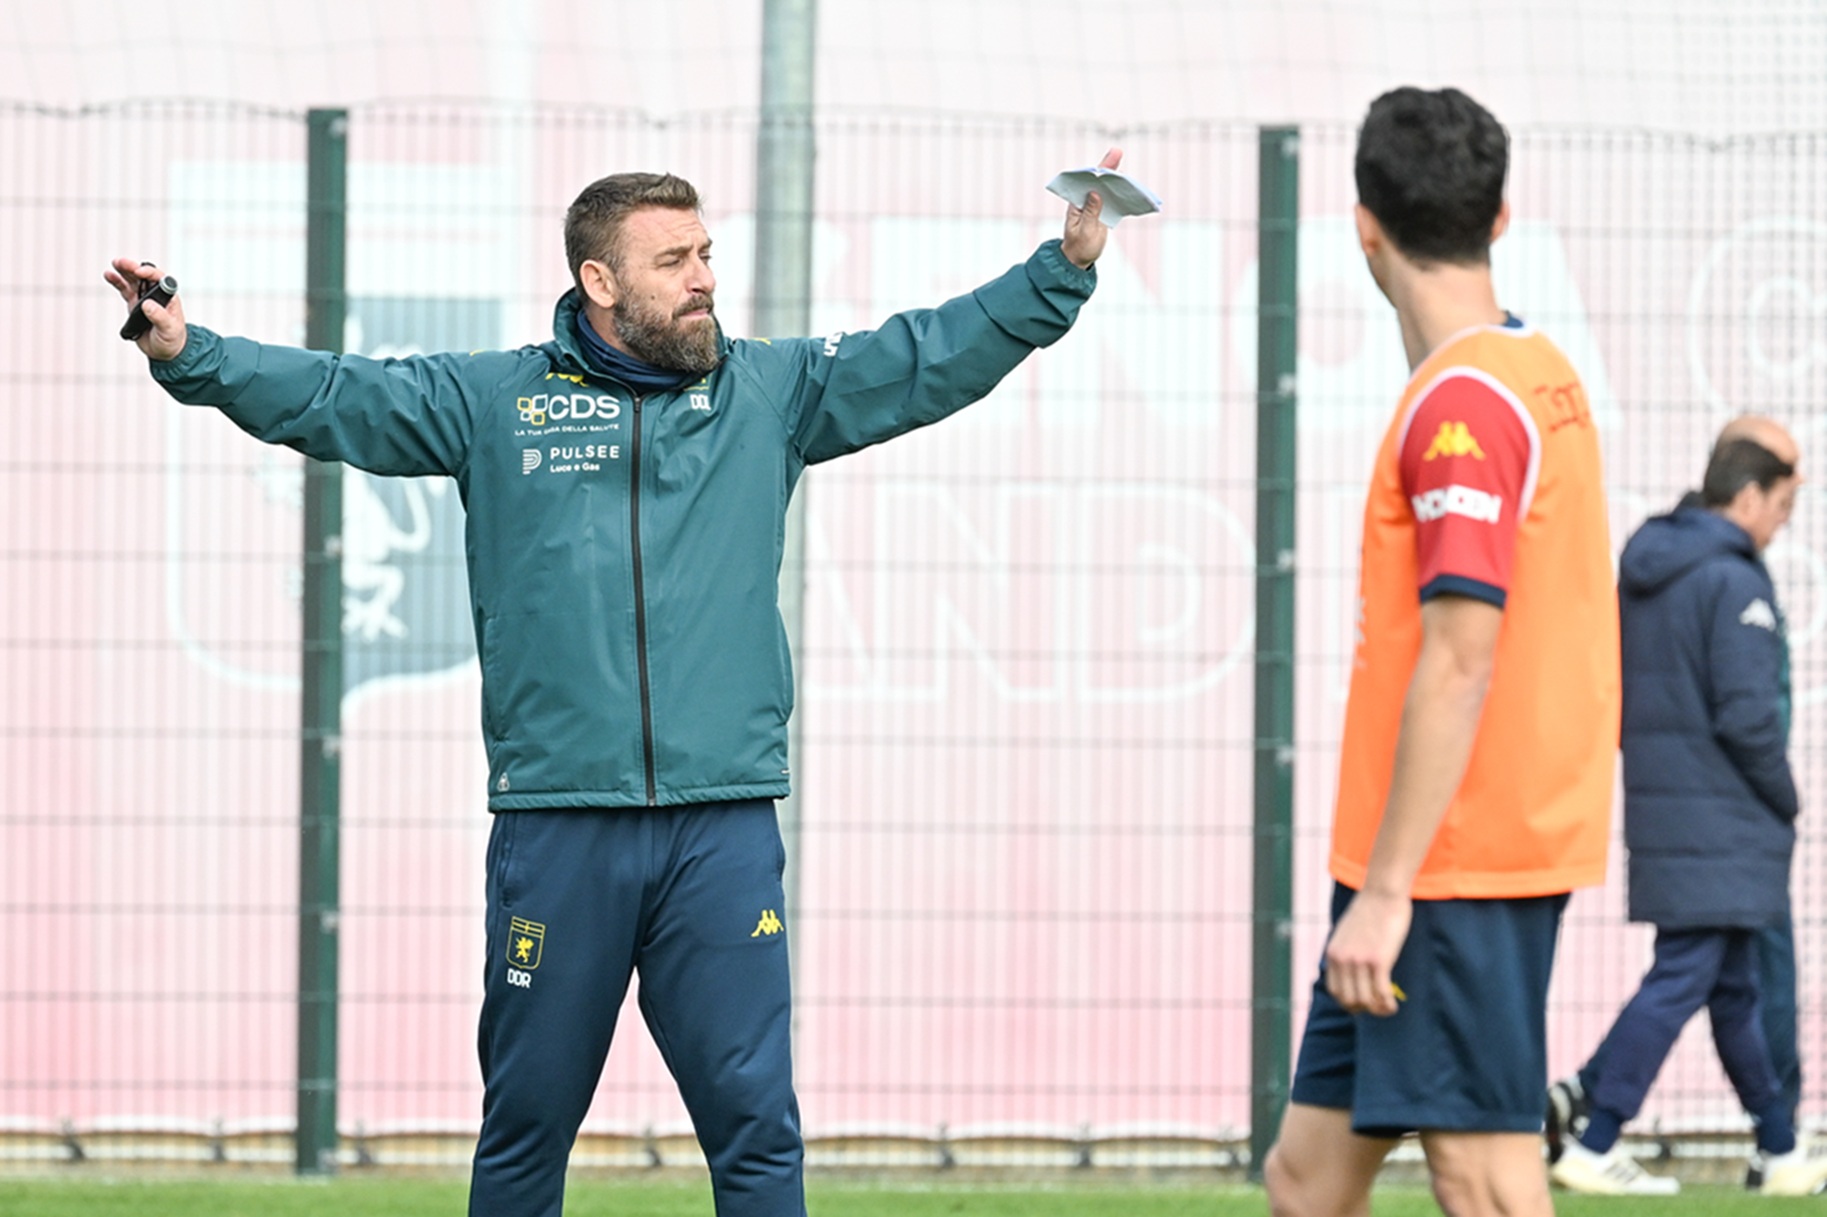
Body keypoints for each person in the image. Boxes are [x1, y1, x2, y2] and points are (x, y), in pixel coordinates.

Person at [107, 152, 1127, 1217]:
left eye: (706, 254)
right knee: (525, 1131)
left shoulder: (771, 391)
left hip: (720, 827)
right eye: (673, 259)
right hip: (560, 825)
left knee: (760, 1130)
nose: (702, 278)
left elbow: (930, 354)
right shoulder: (493, 400)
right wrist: (190, 350)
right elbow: (335, 396)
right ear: (599, 282)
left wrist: (1061, 268)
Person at [1261, 86, 1619, 1217]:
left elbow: (1462, 658)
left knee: (1486, 1179)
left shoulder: (1463, 405)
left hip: (1446, 866)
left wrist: (1392, 891)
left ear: (1364, 225)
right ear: (1500, 216)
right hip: (1414, 861)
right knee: (1306, 1181)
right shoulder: (1538, 370)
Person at [1544, 421, 1827, 1196]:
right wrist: (1786, 797)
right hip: (1723, 820)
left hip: (1671, 813)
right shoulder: (1732, 580)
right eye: (1779, 505)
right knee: (1684, 978)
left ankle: (1777, 1148)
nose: (1780, 524)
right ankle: (1595, 1140)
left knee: (1728, 984)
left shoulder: (1650, 570)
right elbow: (1748, 717)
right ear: (1745, 497)